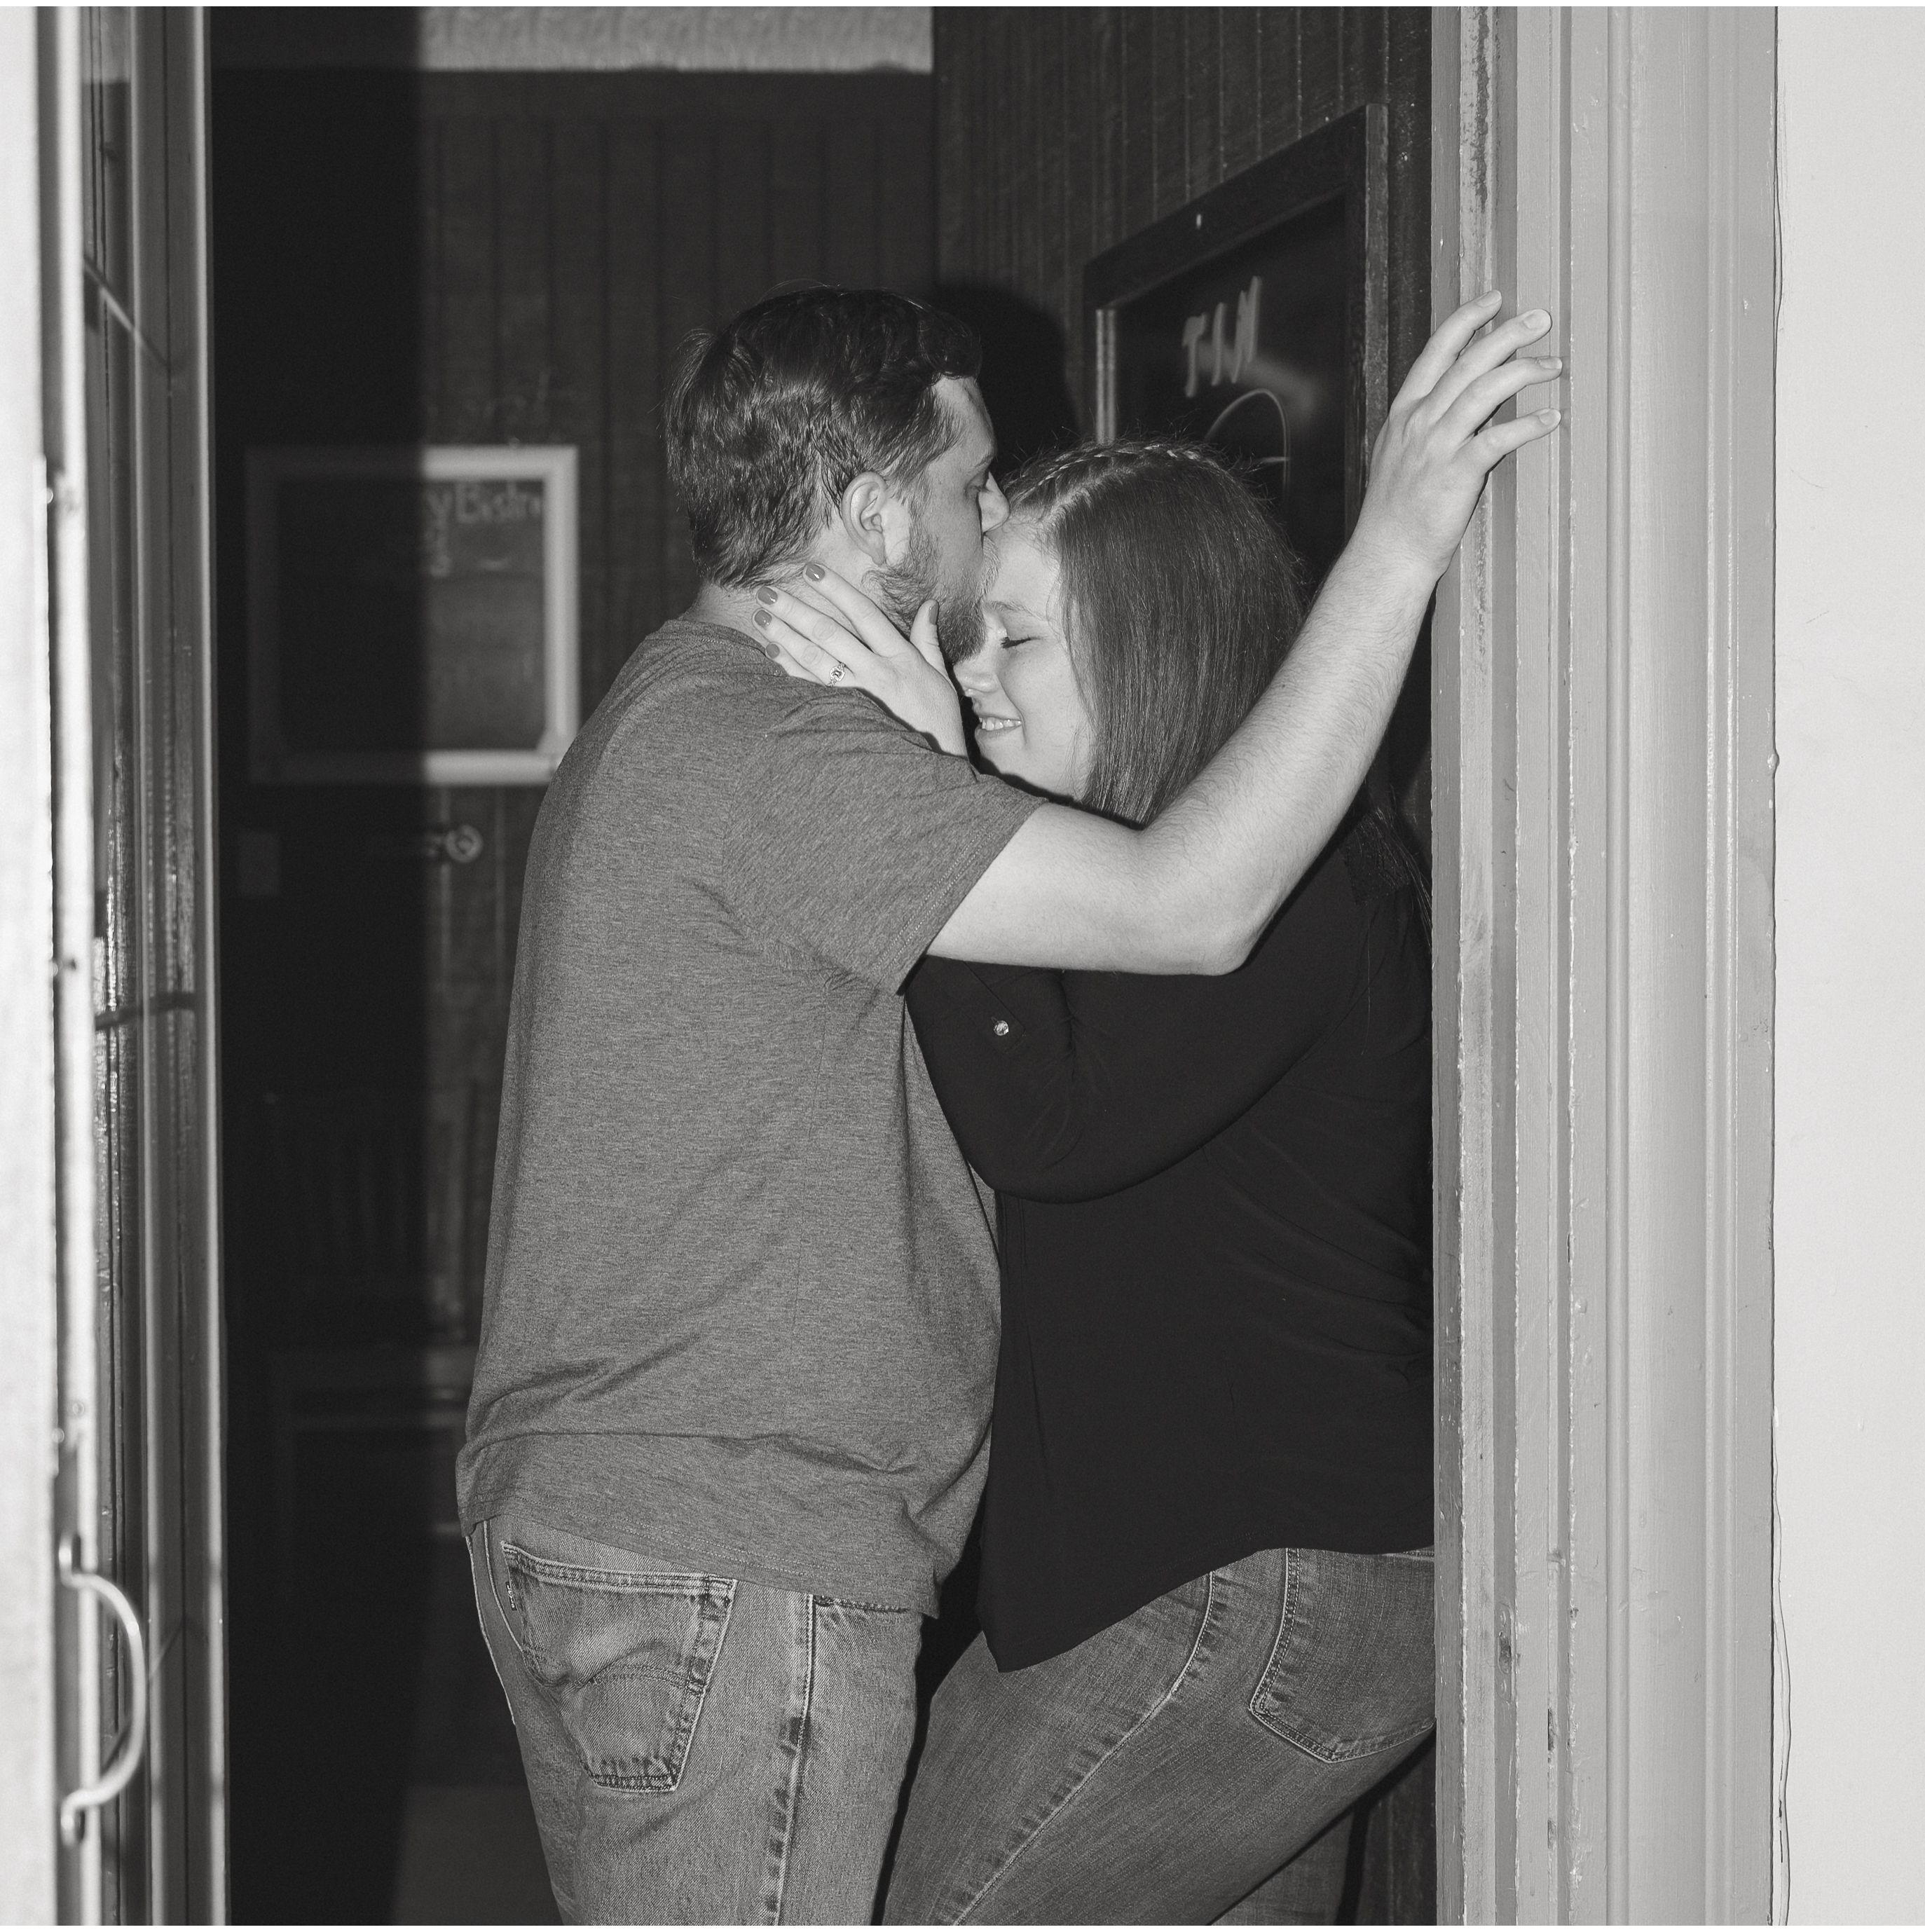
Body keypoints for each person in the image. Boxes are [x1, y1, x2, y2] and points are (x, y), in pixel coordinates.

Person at [457, 283, 1559, 1924]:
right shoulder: (783, 753)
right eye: (971, 488)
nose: (982, 532)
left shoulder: (710, 726)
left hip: (803, 1537)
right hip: (726, 1539)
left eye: (1026, 634)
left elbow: (1108, 1026)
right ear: (869, 515)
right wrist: (1394, 541)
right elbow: (1166, 931)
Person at [763, 439, 1433, 1924]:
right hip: (1220, 1580)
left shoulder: (1293, 883)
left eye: (1014, 640)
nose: (974, 676)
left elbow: (1046, 1127)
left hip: (1256, 1582)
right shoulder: (1136, 884)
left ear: (1152, 650)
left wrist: (928, 796)